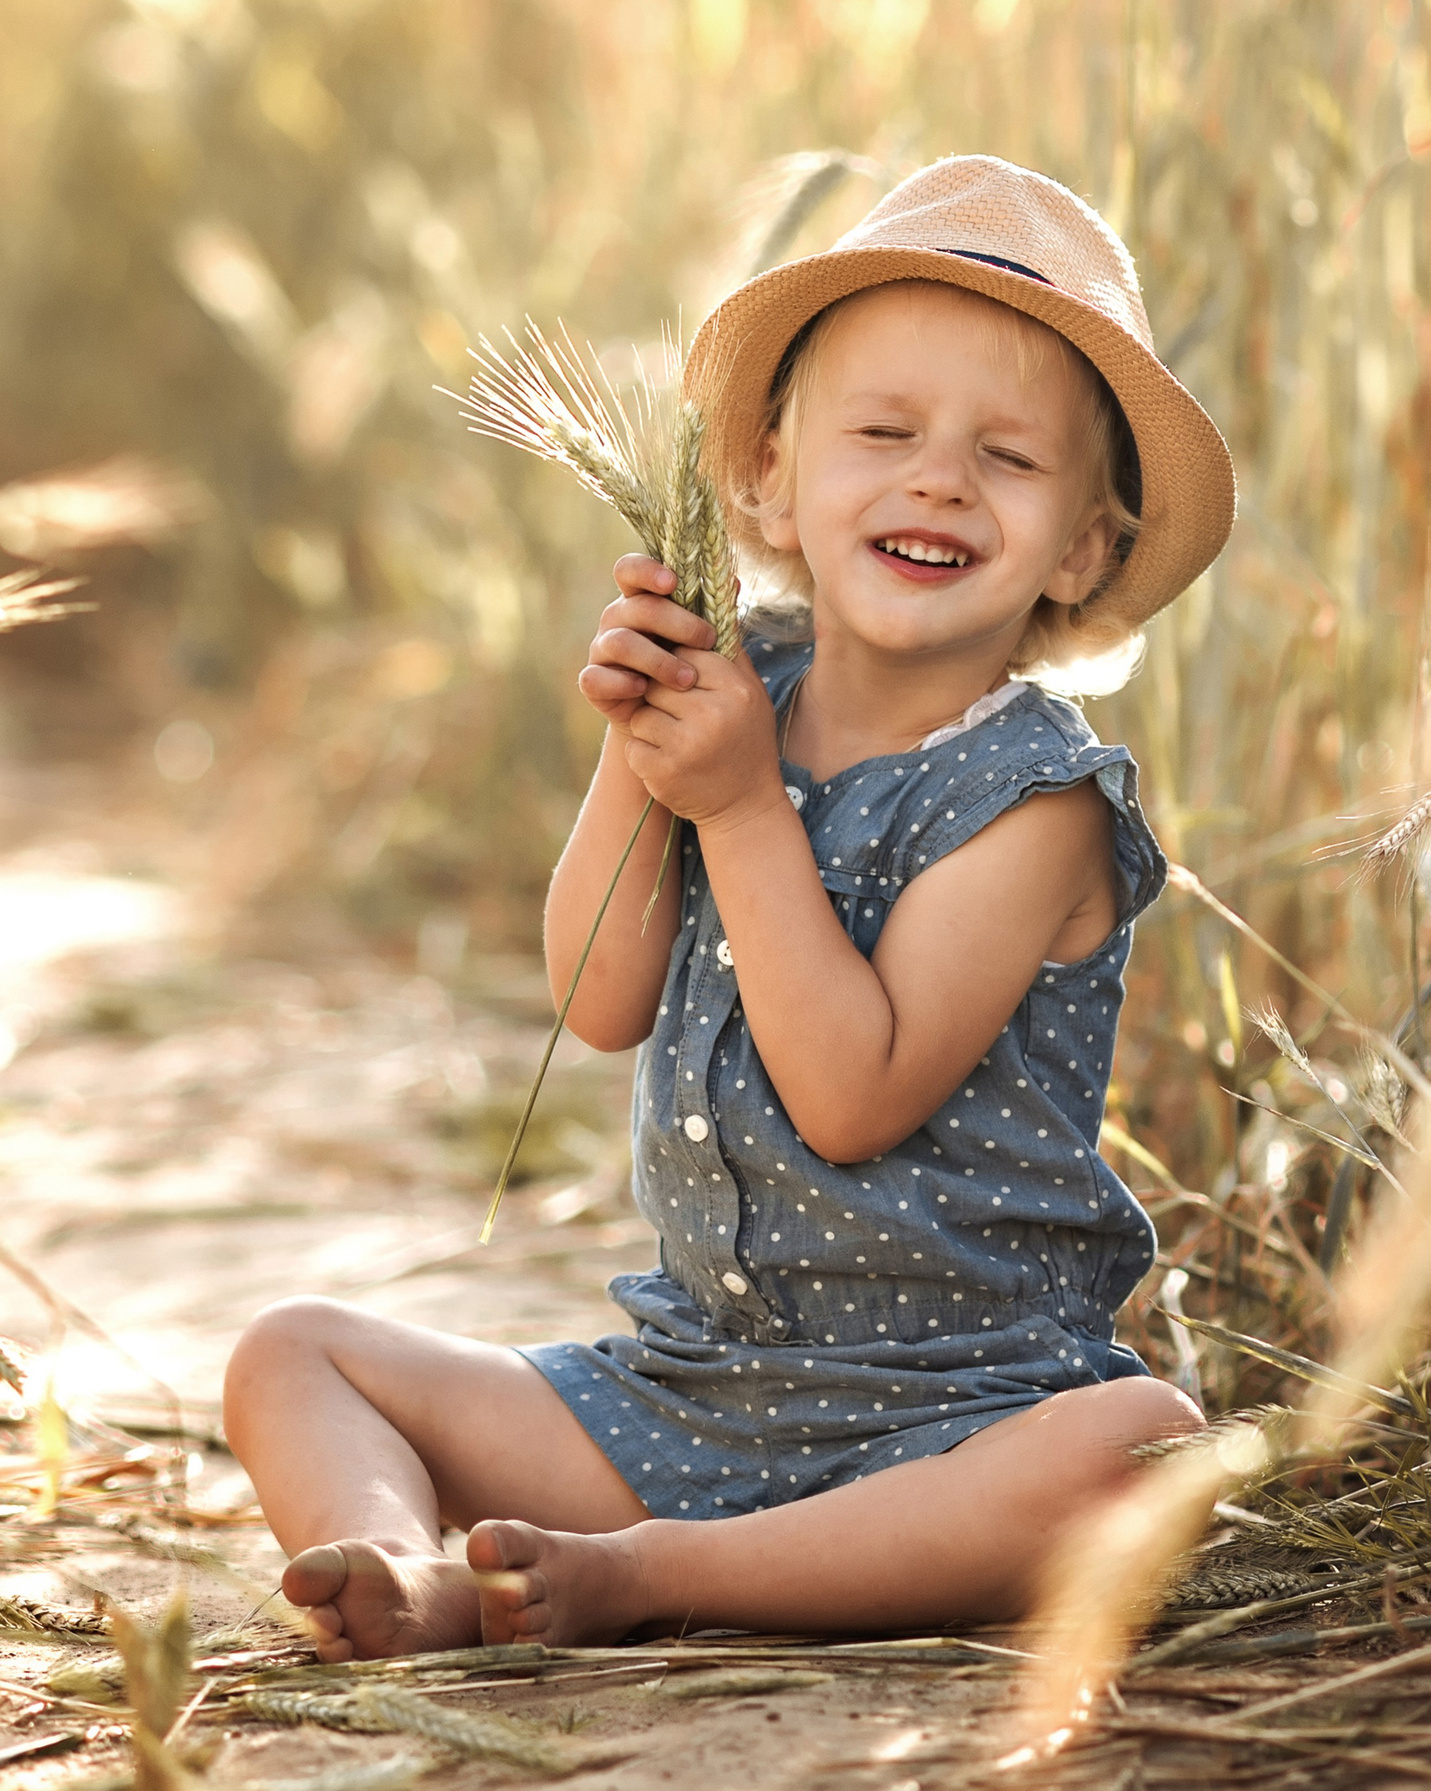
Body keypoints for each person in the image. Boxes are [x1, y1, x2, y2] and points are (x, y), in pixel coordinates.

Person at [223, 155, 1236, 1662]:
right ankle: (403, 1563)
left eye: (1009, 460)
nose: (938, 478)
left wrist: (746, 806)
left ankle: (650, 1578)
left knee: (1147, 1445)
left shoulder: (1039, 801)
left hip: (962, 1420)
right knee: (289, 1351)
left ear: (1084, 549)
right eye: (882, 432)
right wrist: (643, 752)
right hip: (689, 1395)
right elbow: (597, 997)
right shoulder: (732, 687)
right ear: (768, 477)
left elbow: (850, 1097)